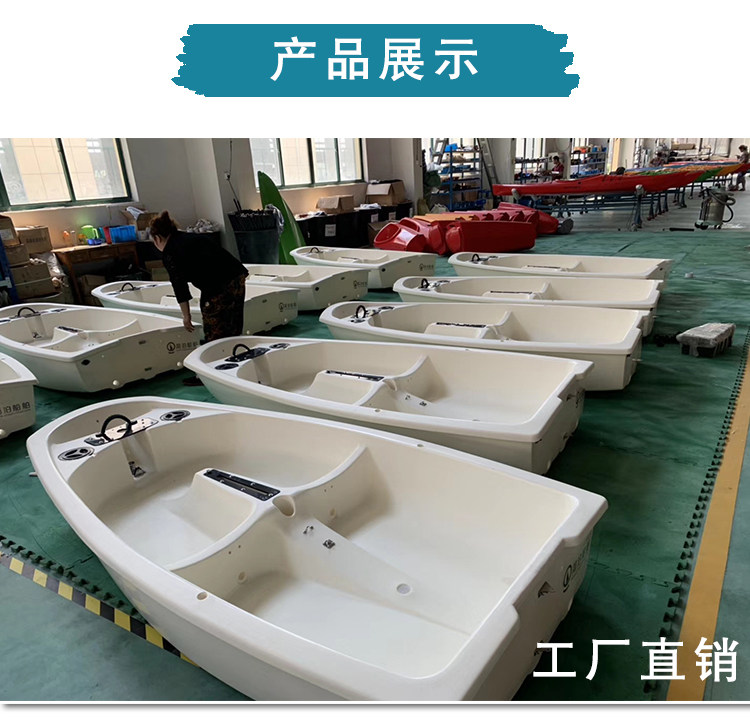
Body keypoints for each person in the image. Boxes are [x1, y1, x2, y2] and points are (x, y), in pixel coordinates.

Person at [149, 211, 249, 384]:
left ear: (157, 238)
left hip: (218, 285)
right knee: (233, 324)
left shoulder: (170, 252)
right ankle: (235, 369)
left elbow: (179, 286)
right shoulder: (189, 237)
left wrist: (186, 316)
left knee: (214, 331)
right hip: (237, 278)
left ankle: (209, 375)